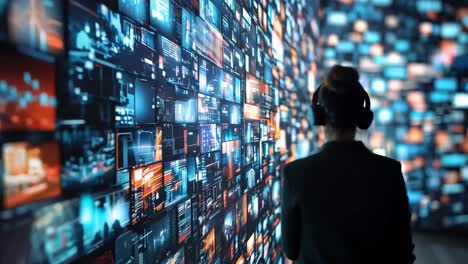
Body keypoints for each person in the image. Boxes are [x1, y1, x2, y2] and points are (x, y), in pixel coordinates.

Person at [281, 65, 415, 264]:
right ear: (362, 117)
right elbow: (403, 251)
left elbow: (291, 250)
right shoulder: (390, 171)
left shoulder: (295, 174)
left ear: (318, 115)